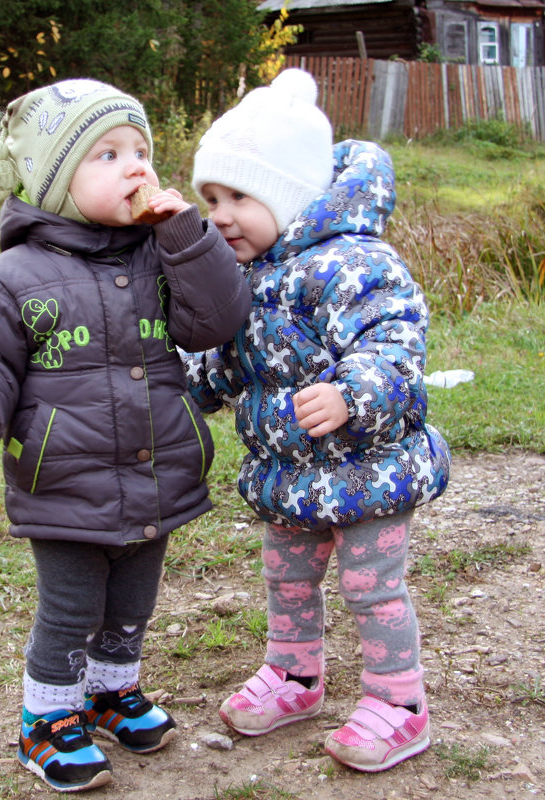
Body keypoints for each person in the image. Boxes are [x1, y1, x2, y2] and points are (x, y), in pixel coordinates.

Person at [0, 78, 249, 792]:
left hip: (155, 468)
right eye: (107, 154)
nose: (136, 165)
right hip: (65, 480)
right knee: (73, 607)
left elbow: (217, 320)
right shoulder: (8, 279)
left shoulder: (159, 258)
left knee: (133, 602)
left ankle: (111, 693)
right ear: (53, 181)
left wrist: (185, 234)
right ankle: (46, 721)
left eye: (140, 149)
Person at [184, 68, 451, 772]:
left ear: (287, 193)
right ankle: (296, 676)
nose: (219, 214)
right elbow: (230, 359)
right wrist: (186, 388)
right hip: (291, 474)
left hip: (367, 468)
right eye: (210, 197)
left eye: (238, 195)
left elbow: (396, 346)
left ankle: (399, 703)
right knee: (287, 576)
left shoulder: (353, 263)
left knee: (371, 584)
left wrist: (350, 394)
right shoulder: (247, 276)